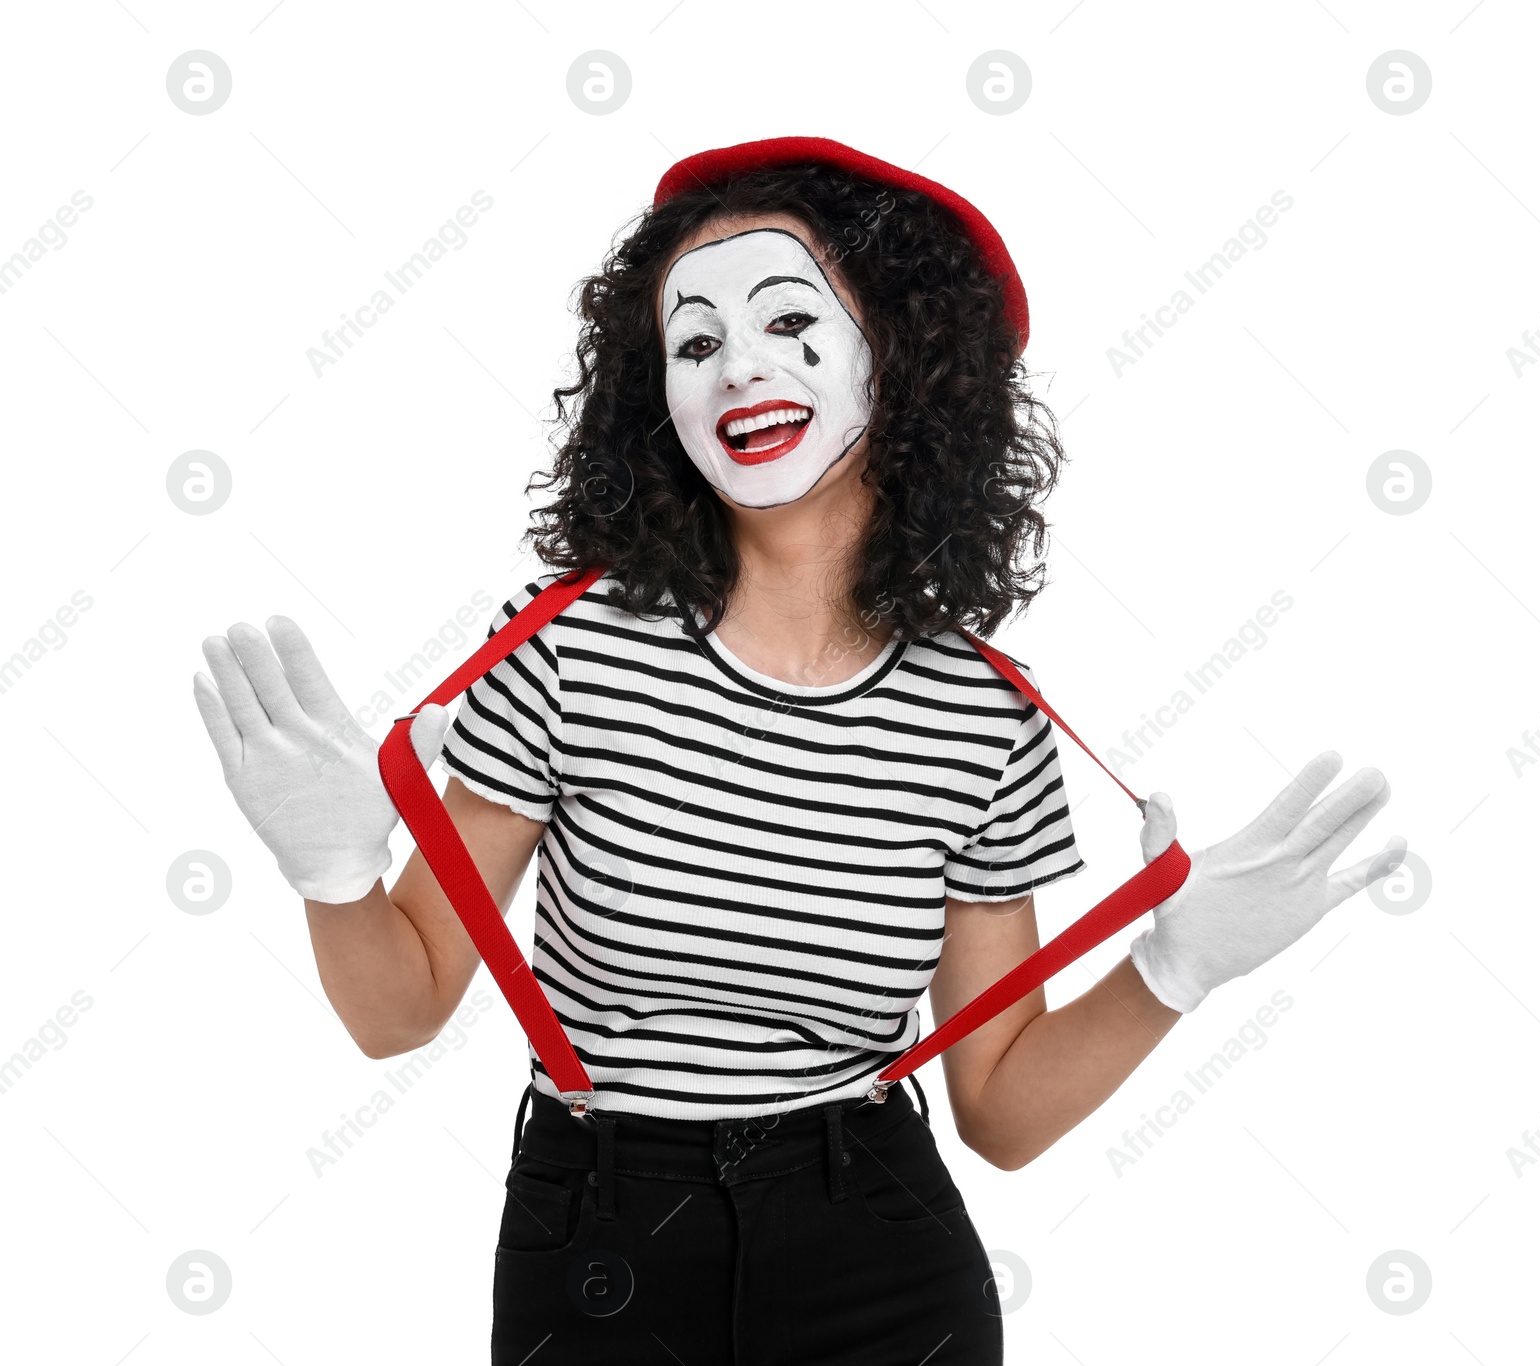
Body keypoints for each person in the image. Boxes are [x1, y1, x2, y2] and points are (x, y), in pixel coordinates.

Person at [192, 137, 1404, 1365]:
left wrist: (1174, 971)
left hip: (876, 1244)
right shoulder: (568, 651)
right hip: (602, 1233)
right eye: (697, 342)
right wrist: (334, 871)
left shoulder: (986, 719)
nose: (740, 369)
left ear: (904, 360)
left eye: (787, 319)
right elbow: (400, 1013)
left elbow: (998, 1109)